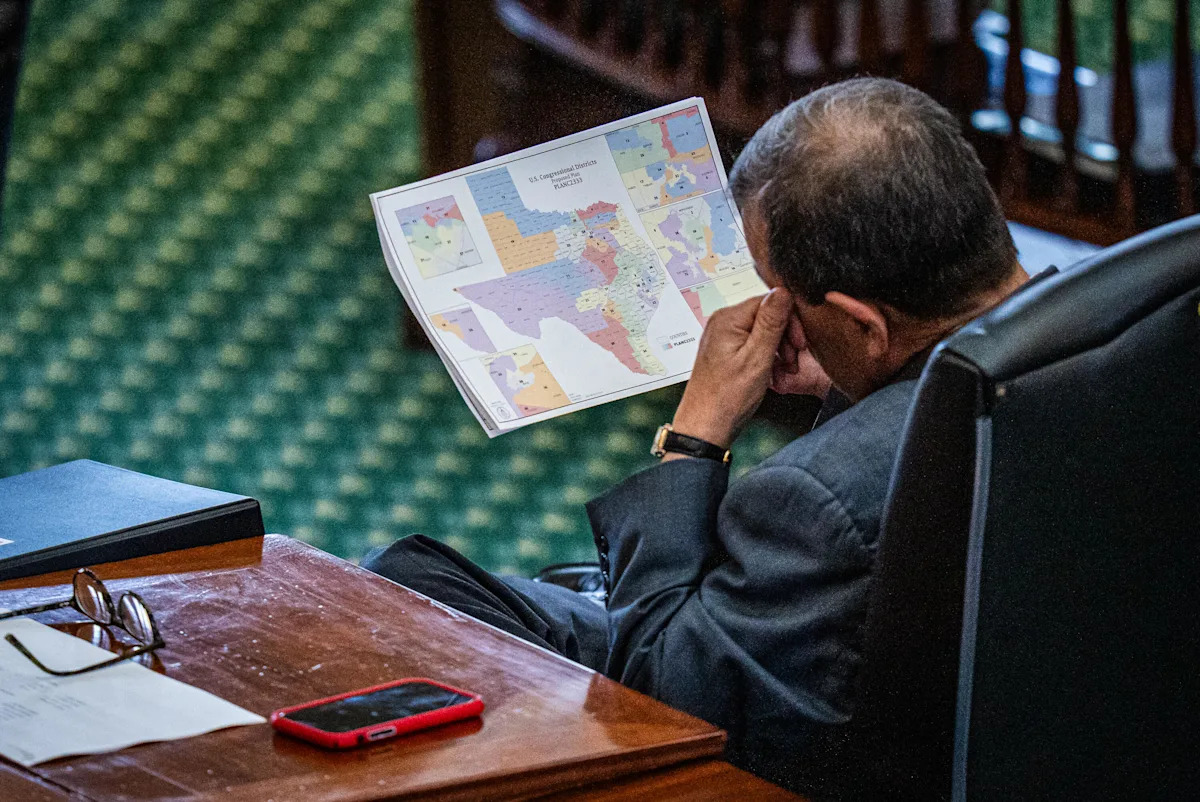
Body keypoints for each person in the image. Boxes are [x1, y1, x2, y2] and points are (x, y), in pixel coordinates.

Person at [363, 77, 1029, 790]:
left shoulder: (814, 499)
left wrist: (695, 435)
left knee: (399, 593)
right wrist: (854, 375)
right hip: (1015, 711)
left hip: (814, 756)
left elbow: (659, 705)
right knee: (426, 577)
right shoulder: (1113, 318)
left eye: (779, 293)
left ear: (863, 323)